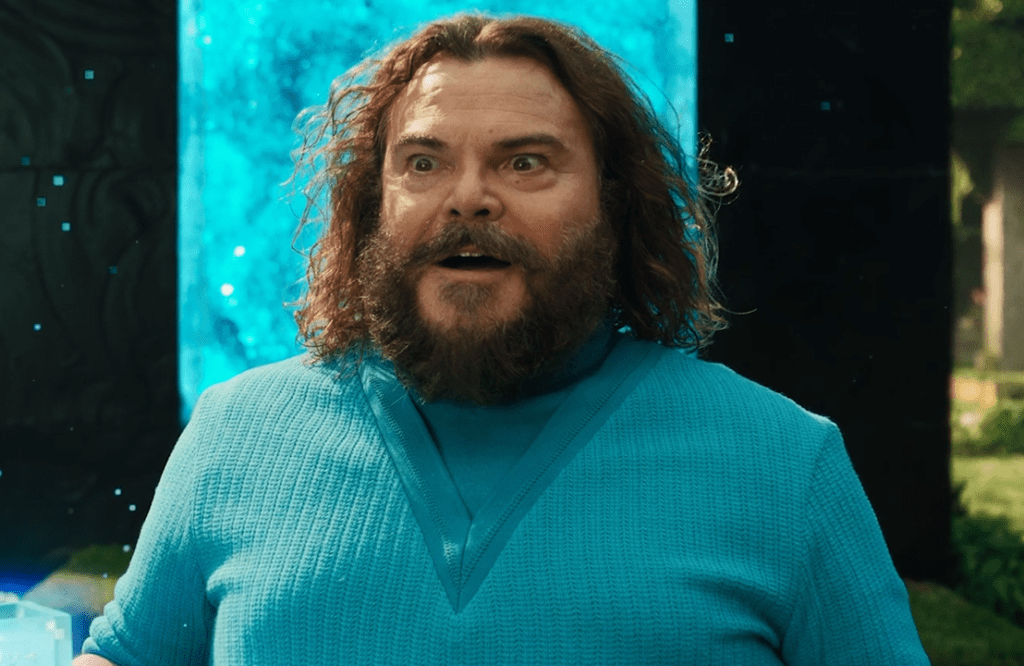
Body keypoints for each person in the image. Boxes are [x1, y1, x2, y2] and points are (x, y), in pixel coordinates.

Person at [76, 11, 930, 665]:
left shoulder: (784, 464)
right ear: (373, 203)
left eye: (526, 162)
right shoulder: (235, 435)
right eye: (423, 162)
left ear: (614, 205)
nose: (469, 197)